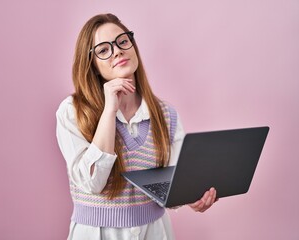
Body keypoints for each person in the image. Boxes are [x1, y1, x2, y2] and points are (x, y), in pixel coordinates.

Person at [56, 13, 217, 240]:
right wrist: (109, 111)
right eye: (103, 50)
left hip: (156, 231)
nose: (118, 51)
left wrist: (190, 197)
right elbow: (92, 182)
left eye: (122, 41)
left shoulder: (166, 115)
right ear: (92, 65)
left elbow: (174, 184)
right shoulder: (72, 111)